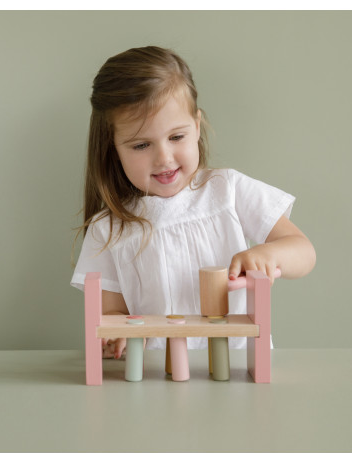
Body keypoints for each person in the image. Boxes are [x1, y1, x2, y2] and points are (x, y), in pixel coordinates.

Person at [71, 45, 316, 359]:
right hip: (157, 375)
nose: (164, 158)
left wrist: (269, 255)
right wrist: (119, 333)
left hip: (240, 366)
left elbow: (303, 251)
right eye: (141, 144)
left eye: (176, 137)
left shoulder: (227, 190)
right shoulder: (109, 228)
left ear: (197, 126)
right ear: (113, 148)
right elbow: (111, 312)